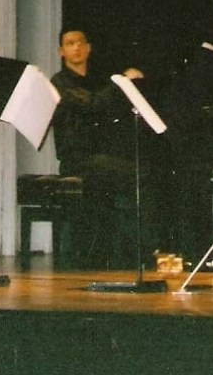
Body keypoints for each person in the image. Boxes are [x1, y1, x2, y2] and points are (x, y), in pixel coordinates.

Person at [51, 27, 158, 268]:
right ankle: (147, 251)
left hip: (102, 157)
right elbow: (91, 104)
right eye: (70, 43)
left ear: (89, 48)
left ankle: (129, 252)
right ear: (61, 51)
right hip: (77, 159)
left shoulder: (98, 80)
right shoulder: (59, 82)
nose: (76, 47)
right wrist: (122, 82)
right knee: (141, 174)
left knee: (145, 169)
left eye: (81, 42)